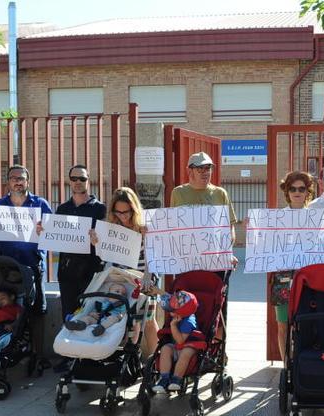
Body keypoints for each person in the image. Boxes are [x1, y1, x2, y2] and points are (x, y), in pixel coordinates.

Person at [90, 187, 160, 355]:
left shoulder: (144, 226)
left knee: (148, 320)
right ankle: (129, 353)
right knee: (127, 316)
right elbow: (105, 257)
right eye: (118, 212)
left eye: (127, 212)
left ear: (134, 209)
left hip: (145, 276)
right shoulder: (112, 226)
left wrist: (148, 278)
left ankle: (155, 361)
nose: (123, 216)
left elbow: (155, 255)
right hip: (122, 278)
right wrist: (97, 244)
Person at [170, 151, 238, 322]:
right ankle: (185, 340)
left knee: (217, 305)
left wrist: (228, 252)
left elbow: (229, 227)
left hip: (215, 262)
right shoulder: (178, 193)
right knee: (186, 303)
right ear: (189, 171)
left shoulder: (220, 193)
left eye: (208, 168)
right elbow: (171, 226)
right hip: (188, 262)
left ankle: (218, 343)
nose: (205, 172)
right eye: (200, 168)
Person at [0, 165, 53, 314]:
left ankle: (36, 338)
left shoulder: (40, 204)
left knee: (36, 311)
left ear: (28, 182)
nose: (17, 182)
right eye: (13, 178)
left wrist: (45, 230)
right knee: (8, 310)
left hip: (33, 265)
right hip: (6, 267)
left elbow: (52, 234)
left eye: (21, 178)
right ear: (8, 182)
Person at [48, 165, 107, 323]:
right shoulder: (62, 209)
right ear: (69, 182)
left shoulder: (101, 209)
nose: (78, 182)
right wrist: (44, 232)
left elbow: (107, 241)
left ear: (89, 181)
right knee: (69, 314)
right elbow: (55, 237)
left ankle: (89, 347)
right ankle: (68, 348)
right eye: (74, 179)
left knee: (91, 314)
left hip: (92, 271)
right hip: (67, 272)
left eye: (82, 178)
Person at [270, 170, 315, 362]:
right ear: (287, 192)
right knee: (283, 324)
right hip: (283, 278)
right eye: (293, 188)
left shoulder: (316, 217)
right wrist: (254, 228)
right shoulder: (276, 217)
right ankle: (287, 365)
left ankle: (305, 363)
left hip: (309, 279)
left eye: (301, 188)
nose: (297, 192)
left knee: (307, 323)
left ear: (307, 192)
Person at [149, 289, 200, 393]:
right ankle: (164, 379)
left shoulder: (188, 322)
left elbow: (180, 340)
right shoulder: (179, 312)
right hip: (176, 346)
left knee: (186, 352)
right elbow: (167, 296)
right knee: (165, 348)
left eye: (172, 310)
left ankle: (176, 379)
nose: (169, 311)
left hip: (188, 345)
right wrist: (156, 290)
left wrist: (173, 325)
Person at [64, 279, 128, 337]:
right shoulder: (103, 303)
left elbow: (123, 313)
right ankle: (79, 324)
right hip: (98, 319)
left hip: (109, 320)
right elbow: (95, 310)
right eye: (117, 291)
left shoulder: (122, 305)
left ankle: (101, 328)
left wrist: (120, 316)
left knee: (113, 318)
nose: (120, 294)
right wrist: (92, 314)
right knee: (88, 318)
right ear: (108, 294)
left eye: (123, 294)